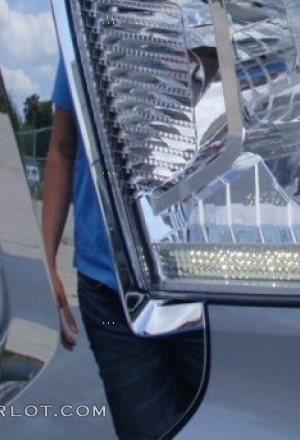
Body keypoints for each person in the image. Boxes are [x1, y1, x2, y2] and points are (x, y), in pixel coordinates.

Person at [41, 65, 204, 439]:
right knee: (145, 429)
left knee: (224, 422)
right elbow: (62, 149)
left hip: (207, 292)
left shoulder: (204, 23)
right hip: (110, 301)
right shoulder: (95, 16)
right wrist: (45, 262)